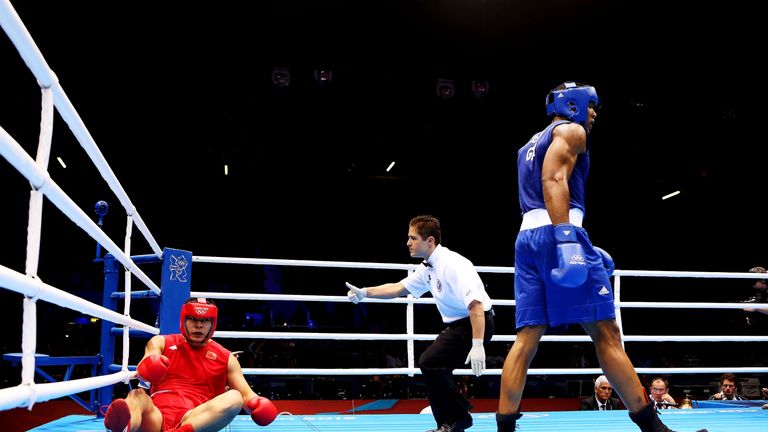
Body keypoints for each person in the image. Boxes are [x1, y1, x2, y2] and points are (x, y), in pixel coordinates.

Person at [495, 81, 707, 432]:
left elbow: (538, 195)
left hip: (526, 240)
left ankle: (504, 429)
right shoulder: (571, 130)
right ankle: (655, 429)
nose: (593, 113)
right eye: (591, 106)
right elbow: (554, 179)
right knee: (606, 332)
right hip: (557, 232)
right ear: (573, 104)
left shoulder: (527, 145)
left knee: (526, 338)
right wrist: (567, 239)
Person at [346, 215, 494, 432]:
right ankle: (451, 422)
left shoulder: (454, 264)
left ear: (430, 241)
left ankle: (458, 417)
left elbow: (476, 306)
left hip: (475, 323)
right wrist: (365, 292)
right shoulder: (427, 268)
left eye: (413, 238)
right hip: (459, 325)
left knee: (430, 362)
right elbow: (398, 288)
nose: (408, 243)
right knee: (431, 363)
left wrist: (478, 343)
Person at [103, 298, 278, 432]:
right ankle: (125, 427)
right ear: (183, 319)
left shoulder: (226, 358)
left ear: (213, 323)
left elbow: (246, 394)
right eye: (193, 319)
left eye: (205, 320)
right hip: (156, 416)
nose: (198, 325)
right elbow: (146, 365)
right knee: (137, 395)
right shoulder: (161, 342)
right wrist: (150, 366)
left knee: (235, 397)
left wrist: (258, 403)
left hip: (196, 418)